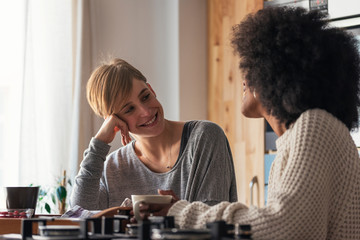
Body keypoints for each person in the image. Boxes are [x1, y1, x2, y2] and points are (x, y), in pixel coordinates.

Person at [136, 7, 360, 239]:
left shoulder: (315, 127)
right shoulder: (300, 137)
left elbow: (284, 228)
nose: (244, 78)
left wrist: (181, 212)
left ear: (275, 73)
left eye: (251, 65)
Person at [69, 58, 238, 210]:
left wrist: (176, 212)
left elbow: (213, 221)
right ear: (112, 120)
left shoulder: (205, 138)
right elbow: (78, 213)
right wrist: (98, 144)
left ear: (151, 89)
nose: (146, 111)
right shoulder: (113, 167)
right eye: (129, 109)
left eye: (145, 97)